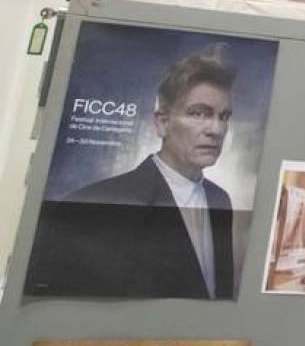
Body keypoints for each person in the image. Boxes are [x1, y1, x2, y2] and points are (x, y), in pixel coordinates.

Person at [25, 49, 239, 299]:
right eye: (198, 113)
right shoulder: (99, 202)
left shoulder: (220, 199)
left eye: (223, 117)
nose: (215, 129)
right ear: (162, 122)